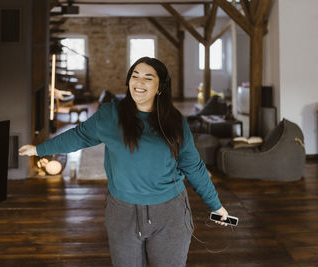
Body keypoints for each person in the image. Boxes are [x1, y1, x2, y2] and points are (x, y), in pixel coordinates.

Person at [19, 57, 229, 266]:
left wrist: (216, 206)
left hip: (170, 213)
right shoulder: (111, 115)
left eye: (148, 78)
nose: (139, 83)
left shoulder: (175, 122)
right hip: (122, 211)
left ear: (160, 87)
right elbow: (80, 135)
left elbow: (193, 166)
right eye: (134, 76)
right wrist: (40, 149)